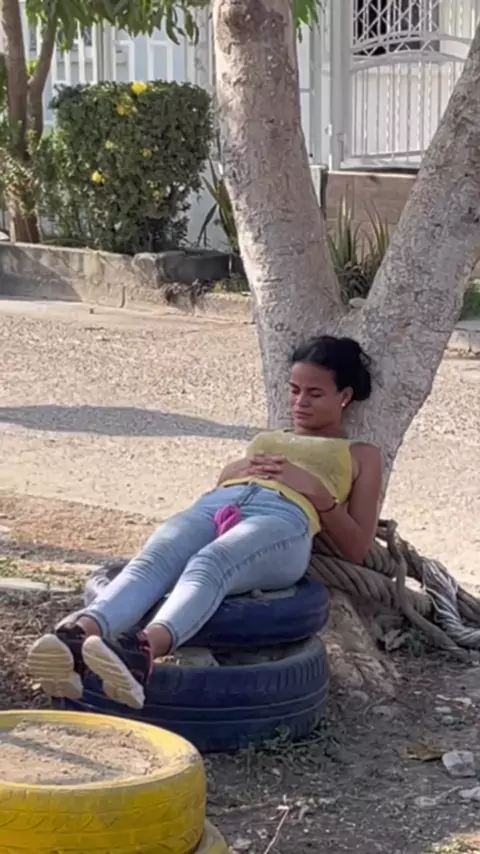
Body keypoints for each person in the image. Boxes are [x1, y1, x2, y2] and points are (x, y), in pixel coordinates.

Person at [28, 335, 382, 711]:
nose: (299, 402)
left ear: (344, 396)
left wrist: (316, 493)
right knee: (155, 557)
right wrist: (235, 470)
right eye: (294, 390)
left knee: (210, 563)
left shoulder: (362, 455)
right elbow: (223, 483)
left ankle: (141, 654)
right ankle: (76, 639)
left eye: (314, 393)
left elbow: (357, 547)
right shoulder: (268, 438)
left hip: (283, 520)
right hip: (218, 507)